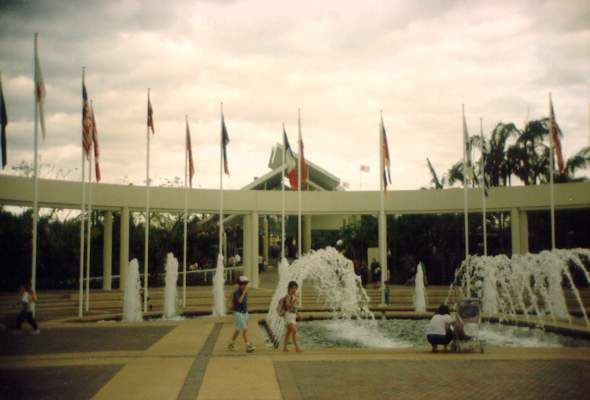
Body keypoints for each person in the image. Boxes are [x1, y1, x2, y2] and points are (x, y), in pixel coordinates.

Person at [227, 276, 255, 353]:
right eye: (244, 284)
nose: (245, 285)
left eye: (246, 284)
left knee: (238, 330)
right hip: (238, 313)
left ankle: (231, 344)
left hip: (245, 313)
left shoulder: (245, 291)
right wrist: (243, 293)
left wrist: (247, 312)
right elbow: (239, 301)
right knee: (245, 329)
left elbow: (245, 303)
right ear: (240, 284)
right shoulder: (236, 292)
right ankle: (248, 346)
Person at [281, 281, 302, 352]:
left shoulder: (294, 296)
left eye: (296, 288)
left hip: (293, 316)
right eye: (293, 288)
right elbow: (288, 306)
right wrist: (293, 302)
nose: (294, 290)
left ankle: (284, 347)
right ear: (289, 288)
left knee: (288, 332)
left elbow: (294, 308)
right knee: (294, 331)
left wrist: (298, 314)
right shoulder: (287, 296)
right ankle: (297, 347)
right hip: (288, 316)